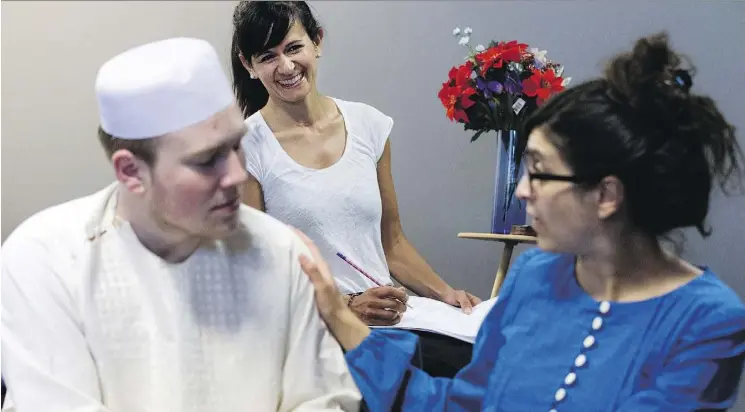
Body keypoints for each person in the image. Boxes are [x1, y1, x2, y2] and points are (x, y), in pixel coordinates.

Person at [295, 32, 745, 411]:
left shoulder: (706, 323)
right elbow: (459, 403)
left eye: (539, 171)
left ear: (607, 194)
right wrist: (337, 313)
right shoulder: (535, 277)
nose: (523, 190)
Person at [0, 37, 360, 411]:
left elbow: (323, 400)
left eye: (236, 146)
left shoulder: (283, 251)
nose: (238, 174)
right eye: (207, 161)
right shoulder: (46, 260)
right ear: (130, 171)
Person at [231, 0, 481, 378]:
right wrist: (345, 306)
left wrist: (446, 294)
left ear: (317, 41)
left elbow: (392, 243)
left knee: (479, 358)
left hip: (389, 319)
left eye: (294, 47)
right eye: (268, 56)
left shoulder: (367, 124)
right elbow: (253, 274)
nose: (285, 67)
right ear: (249, 65)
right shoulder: (246, 148)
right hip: (311, 330)